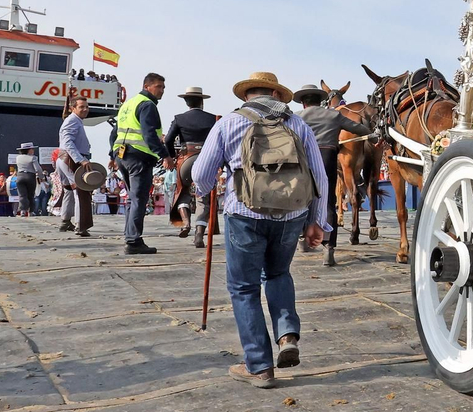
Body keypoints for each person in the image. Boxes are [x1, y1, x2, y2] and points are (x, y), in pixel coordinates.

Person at [192, 72, 328, 388]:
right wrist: (316, 221)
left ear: (247, 97)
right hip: (291, 214)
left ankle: (259, 367)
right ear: (276, 95)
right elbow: (319, 178)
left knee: (243, 288)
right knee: (279, 274)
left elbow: (200, 174)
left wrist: (210, 187)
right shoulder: (298, 125)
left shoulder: (228, 123)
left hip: (244, 214)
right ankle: (287, 336)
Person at [295, 83, 372, 267]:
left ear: (304, 103)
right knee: (328, 203)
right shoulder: (334, 115)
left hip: (303, 161)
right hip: (327, 159)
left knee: (301, 201)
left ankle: (302, 240)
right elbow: (357, 128)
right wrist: (374, 135)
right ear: (321, 101)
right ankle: (328, 250)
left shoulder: (296, 117)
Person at [110, 72, 175, 254]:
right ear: (147, 86)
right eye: (159, 87)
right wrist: (165, 155)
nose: (162, 91)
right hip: (139, 157)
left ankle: (129, 234)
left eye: (163, 87)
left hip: (122, 155)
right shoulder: (147, 105)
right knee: (139, 198)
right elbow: (150, 135)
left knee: (133, 198)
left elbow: (114, 133)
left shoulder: (128, 104)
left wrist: (111, 155)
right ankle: (133, 241)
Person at [166, 86, 220, 247]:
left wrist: (171, 156)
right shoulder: (213, 119)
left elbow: (168, 140)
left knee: (182, 193)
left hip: (185, 158)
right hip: (206, 159)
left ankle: (185, 222)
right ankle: (199, 234)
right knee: (203, 197)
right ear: (202, 101)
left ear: (186, 102)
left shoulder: (179, 118)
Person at [56, 96, 94, 237]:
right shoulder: (73, 120)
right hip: (70, 159)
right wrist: (81, 160)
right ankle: (81, 226)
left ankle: (65, 221)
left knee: (68, 191)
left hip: (63, 158)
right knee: (81, 191)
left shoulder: (74, 120)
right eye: (81, 107)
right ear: (73, 108)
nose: (85, 109)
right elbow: (68, 142)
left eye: (86, 107)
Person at [12, 142, 39, 218]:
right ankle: (31, 211)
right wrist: (41, 176)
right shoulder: (33, 158)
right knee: (30, 194)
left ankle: (22, 211)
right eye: (32, 149)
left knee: (22, 195)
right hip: (30, 176)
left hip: (20, 176)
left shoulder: (18, 158)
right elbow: (38, 169)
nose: (33, 150)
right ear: (29, 150)